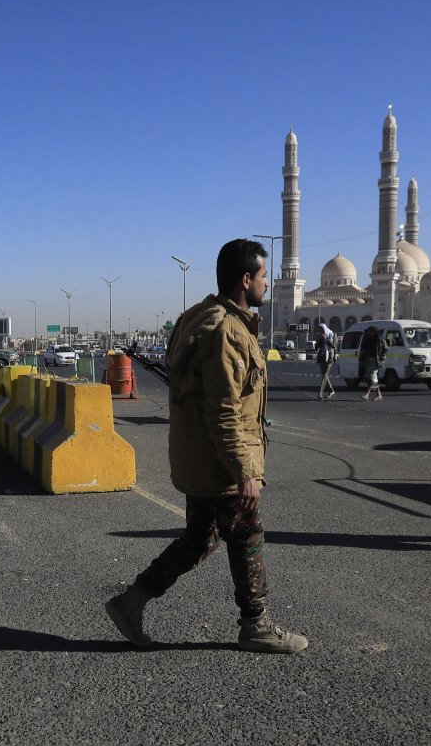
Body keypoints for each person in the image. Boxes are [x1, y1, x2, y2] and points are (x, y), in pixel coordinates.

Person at [104, 239, 308, 654]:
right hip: (218, 463)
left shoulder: (204, 318)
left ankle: (132, 602)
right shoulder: (226, 333)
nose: (268, 285)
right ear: (245, 279)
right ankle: (256, 624)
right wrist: (244, 471)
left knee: (200, 539)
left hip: (200, 457)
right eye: (264, 277)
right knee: (248, 534)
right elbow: (225, 410)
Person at [359, 325, 384, 401]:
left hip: (376, 361)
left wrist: (382, 358)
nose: (369, 333)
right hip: (368, 360)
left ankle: (367, 394)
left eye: (371, 332)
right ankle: (379, 395)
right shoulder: (367, 340)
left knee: (373, 376)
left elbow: (385, 349)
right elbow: (363, 350)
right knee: (371, 378)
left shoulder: (380, 340)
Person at [315, 322, 336, 399]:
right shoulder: (320, 336)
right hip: (322, 357)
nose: (321, 331)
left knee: (325, 375)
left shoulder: (332, 335)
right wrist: (318, 340)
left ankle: (320, 393)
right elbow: (316, 348)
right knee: (325, 375)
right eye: (319, 330)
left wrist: (326, 340)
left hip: (330, 357)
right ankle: (331, 391)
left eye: (321, 330)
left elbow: (334, 346)